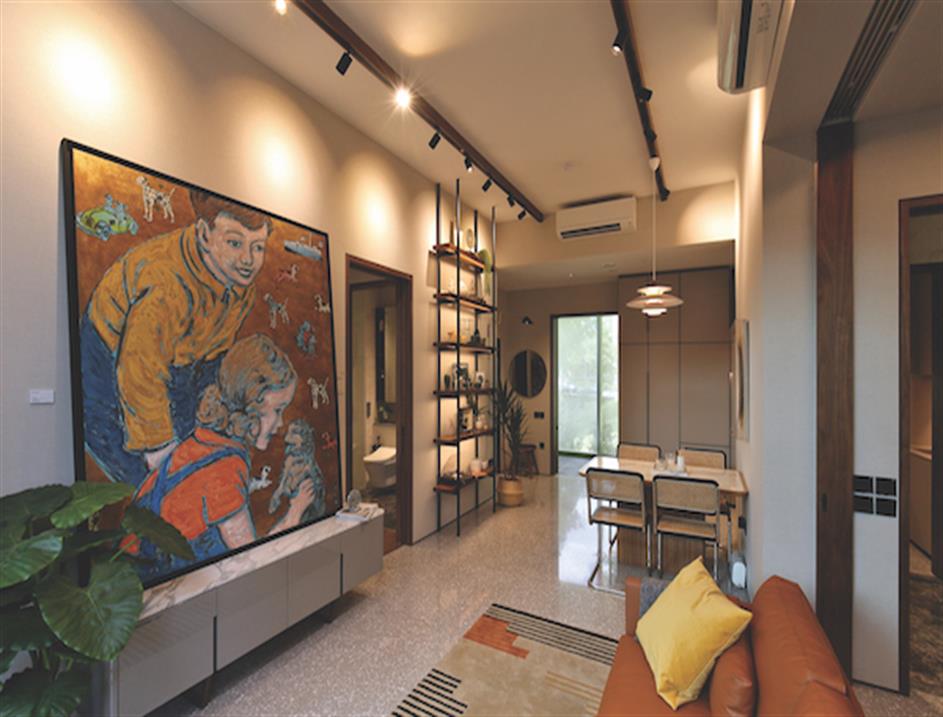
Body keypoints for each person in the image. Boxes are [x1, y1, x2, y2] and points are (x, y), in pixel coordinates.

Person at [80, 189, 271, 487]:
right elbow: (139, 369)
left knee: (195, 449)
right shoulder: (166, 285)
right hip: (110, 355)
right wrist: (159, 450)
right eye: (235, 243)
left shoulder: (240, 285)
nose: (248, 259)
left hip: (185, 358)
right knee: (148, 477)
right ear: (205, 234)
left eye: (258, 247)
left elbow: (215, 352)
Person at [128, 334, 313, 575]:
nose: (280, 424)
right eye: (277, 410)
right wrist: (295, 513)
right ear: (251, 405)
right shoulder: (226, 470)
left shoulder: (205, 440)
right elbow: (252, 558)